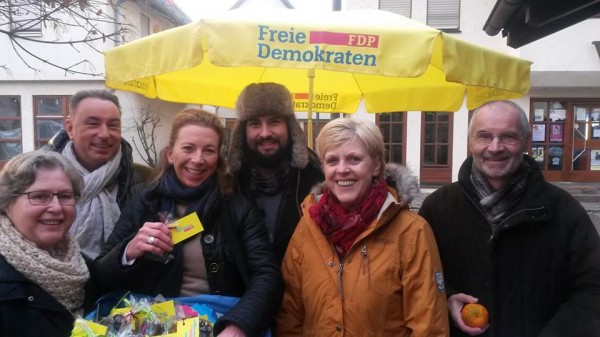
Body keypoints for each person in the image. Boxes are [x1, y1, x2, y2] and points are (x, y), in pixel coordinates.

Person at [92, 108, 283, 337]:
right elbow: (101, 275)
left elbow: (267, 275)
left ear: (218, 158)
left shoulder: (237, 207)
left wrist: (238, 325)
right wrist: (128, 251)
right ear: (171, 154)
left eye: (208, 150)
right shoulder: (144, 200)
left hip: (220, 322)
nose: (198, 159)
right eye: (188, 148)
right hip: (156, 325)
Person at [418, 100, 600, 336]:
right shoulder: (437, 208)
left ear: (526, 141)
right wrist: (448, 298)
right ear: (470, 141)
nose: (495, 147)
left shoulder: (563, 210)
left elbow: (592, 288)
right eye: (484, 136)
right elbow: (421, 278)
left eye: (508, 136)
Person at [276, 118, 449, 336]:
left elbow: (429, 326)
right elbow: (290, 314)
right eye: (332, 160)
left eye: (354, 159)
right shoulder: (308, 226)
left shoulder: (412, 233)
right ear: (323, 167)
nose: (342, 169)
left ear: (376, 165)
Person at [46, 89, 151, 259]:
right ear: (70, 128)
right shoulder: (35, 182)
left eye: (113, 125)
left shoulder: (147, 181)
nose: (104, 134)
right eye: (93, 123)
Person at [227, 82, 324, 264]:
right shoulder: (229, 185)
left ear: (290, 127)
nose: (265, 133)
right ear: (242, 131)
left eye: (274, 122)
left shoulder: (316, 179)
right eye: (255, 123)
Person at [0, 150, 90, 337]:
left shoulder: (81, 266)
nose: (56, 207)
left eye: (65, 196)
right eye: (40, 196)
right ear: (7, 203)